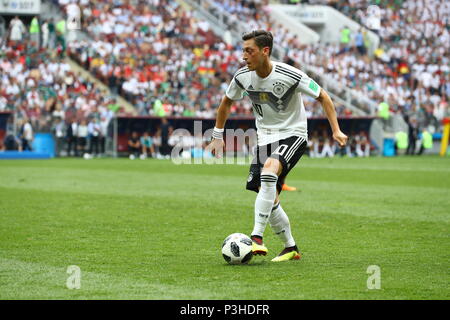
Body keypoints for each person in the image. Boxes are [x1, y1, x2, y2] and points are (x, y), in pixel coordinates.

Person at [206, 30, 348, 262]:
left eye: (249, 51)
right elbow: (226, 102)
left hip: (294, 135)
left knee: (270, 171)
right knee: (268, 195)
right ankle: (290, 247)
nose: (244, 56)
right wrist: (217, 135)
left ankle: (256, 237)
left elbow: (323, 96)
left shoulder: (290, 74)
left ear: (265, 51)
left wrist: (336, 129)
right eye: (243, 50)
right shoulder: (242, 77)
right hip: (265, 139)